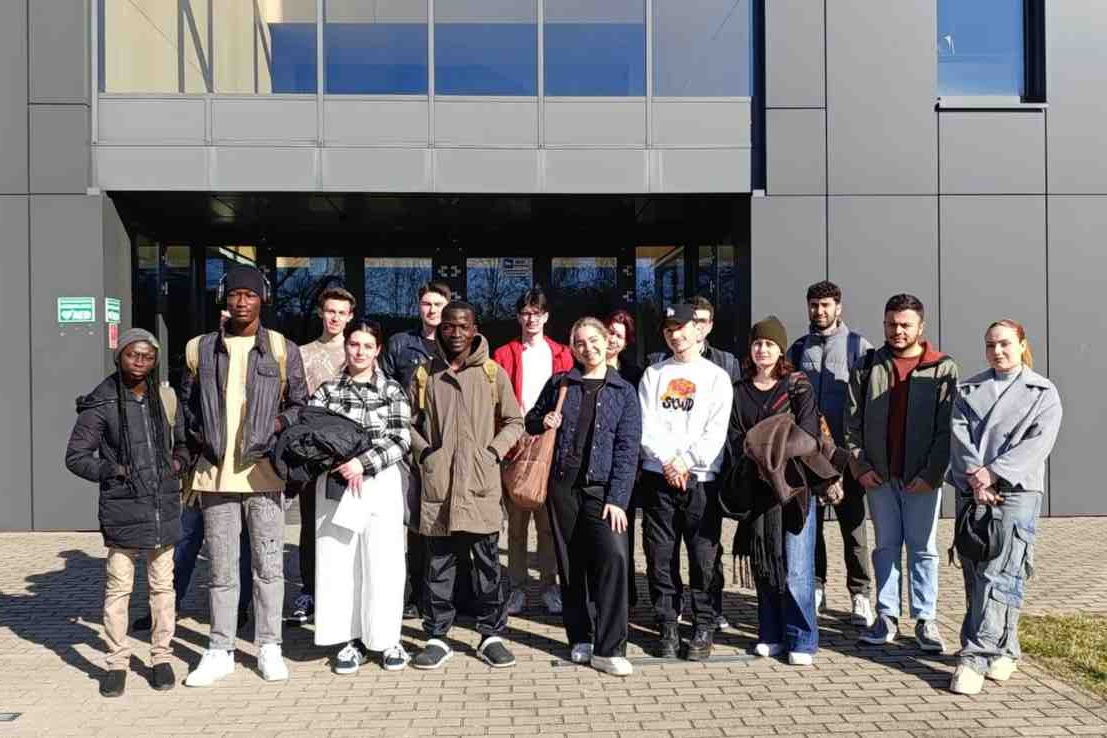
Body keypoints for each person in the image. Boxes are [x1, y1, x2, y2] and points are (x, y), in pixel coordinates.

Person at [181, 264, 308, 686]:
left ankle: (269, 646)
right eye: (235, 293)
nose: (241, 301)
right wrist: (197, 440)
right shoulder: (199, 348)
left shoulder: (281, 348)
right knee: (221, 569)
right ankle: (220, 649)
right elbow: (187, 408)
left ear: (262, 299)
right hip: (214, 475)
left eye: (250, 294)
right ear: (224, 298)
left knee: (269, 566)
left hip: (264, 473)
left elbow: (300, 406)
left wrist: (276, 425)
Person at [65, 329, 190, 697]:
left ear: (155, 361)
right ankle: (117, 662)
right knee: (119, 589)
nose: (140, 362)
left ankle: (161, 657)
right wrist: (113, 470)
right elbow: (76, 456)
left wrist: (177, 464)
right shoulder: (101, 401)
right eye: (133, 354)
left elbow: (184, 443)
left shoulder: (164, 397)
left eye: (147, 356)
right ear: (119, 356)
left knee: (162, 587)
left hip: (162, 506)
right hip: (122, 507)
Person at [947, 320, 1062, 695]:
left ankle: (976, 656)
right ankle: (1005, 648)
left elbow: (1037, 444)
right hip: (972, 489)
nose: (997, 351)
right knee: (975, 569)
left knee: (1003, 571)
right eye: (990, 345)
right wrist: (977, 478)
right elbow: (959, 436)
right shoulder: (969, 389)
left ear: (1022, 344)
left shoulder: (1043, 392)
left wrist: (994, 474)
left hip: (1016, 491)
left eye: (1005, 344)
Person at [409, 302, 525, 669]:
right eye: (449, 326)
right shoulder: (425, 374)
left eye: (463, 326)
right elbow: (407, 423)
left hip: (479, 484)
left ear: (475, 328)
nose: (456, 333)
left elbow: (515, 421)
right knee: (438, 566)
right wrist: (427, 454)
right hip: (440, 485)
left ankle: (491, 634)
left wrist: (492, 453)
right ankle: (437, 635)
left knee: (487, 565)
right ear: (440, 329)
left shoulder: (492, 373)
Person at [525, 318, 642, 676]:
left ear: (607, 341)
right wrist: (545, 420)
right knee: (572, 564)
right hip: (563, 488)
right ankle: (580, 637)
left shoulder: (624, 391)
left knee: (614, 559)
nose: (587, 348)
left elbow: (628, 450)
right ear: (572, 348)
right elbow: (530, 420)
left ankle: (609, 648)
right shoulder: (561, 383)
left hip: (603, 491)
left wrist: (618, 499)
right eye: (579, 342)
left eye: (594, 340)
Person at [845, 294, 958, 652]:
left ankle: (926, 620)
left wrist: (932, 474)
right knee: (886, 547)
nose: (898, 330)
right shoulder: (867, 365)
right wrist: (861, 467)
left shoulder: (942, 367)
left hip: (922, 479)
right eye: (891, 324)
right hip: (879, 477)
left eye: (905, 324)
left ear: (921, 327)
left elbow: (947, 429)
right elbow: (851, 424)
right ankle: (887, 616)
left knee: (923, 549)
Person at [132, 311, 255, 635]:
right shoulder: (201, 357)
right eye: (224, 316)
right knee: (185, 537)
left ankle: (239, 607)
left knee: (240, 542)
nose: (229, 321)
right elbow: (187, 408)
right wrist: (190, 453)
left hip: (243, 468)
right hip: (202, 467)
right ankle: (165, 608)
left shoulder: (254, 359)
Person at [310, 321, 412, 674]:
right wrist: (340, 462)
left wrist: (362, 463)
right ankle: (349, 640)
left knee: (383, 563)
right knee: (339, 563)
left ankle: (386, 639)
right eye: (354, 344)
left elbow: (401, 439)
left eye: (368, 346)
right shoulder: (327, 391)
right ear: (346, 346)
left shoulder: (392, 390)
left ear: (378, 349)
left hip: (379, 483)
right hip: (337, 484)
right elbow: (310, 434)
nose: (360, 352)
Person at [639, 304, 733, 660]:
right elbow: (646, 425)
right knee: (660, 556)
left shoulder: (716, 377)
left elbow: (716, 430)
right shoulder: (653, 374)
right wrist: (668, 460)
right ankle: (667, 625)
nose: (675, 335)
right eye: (668, 329)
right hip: (659, 477)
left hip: (701, 480)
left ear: (698, 329)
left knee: (703, 558)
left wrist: (686, 461)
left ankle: (703, 625)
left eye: (681, 327)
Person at [730, 317, 822, 665]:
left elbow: (808, 436)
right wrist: (757, 458)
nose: (762, 350)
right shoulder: (739, 390)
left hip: (793, 488)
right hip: (757, 488)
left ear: (781, 349)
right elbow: (734, 437)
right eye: (757, 344)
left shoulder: (797, 385)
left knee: (797, 568)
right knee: (765, 562)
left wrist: (768, 455)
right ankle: (769, 633)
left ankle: (802, 639)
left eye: (769, 344)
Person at [787, 280, 875, 626]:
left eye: (826, 305)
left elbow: (870, 402)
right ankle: (816, 587)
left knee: (853, 528)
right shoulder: (798, 349)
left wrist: (858, 455)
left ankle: (860, 595)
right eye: (814, 305)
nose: (819, 311)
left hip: (847, 457)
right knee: (812, 529)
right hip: (809, 457)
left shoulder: (858, 347)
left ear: (839, 307)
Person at [493, 287, 574, 615]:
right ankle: (516, 588)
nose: (531, 319)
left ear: (546, 316)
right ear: (518, 317)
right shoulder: (503, 354)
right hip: (515, 444)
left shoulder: (562, 354)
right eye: (526, 313)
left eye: (537, 313)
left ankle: (549, 586)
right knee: (516, 526)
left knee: (547, 526)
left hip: (549, 446)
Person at [380, 280, 451, 619]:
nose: (432, 310)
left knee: (444, 519)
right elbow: (384, 388)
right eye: (427, 303)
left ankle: (445, 595)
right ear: (419, 306)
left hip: (446, 442)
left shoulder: (457, 343)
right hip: (408, 444)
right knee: (412, 520)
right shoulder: (400, 344)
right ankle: (411, 595)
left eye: (438, 304)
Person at [288, 286, 356, 625]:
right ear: (321, 312)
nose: (335, 318)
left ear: (350, 316)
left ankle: (345, 591)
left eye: (342, 312)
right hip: (312, 452)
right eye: (331, 311)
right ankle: (310, 589)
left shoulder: (357, 351)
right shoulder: (302, 354)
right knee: (310, 524)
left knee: (346, 522)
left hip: (347, 453)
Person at [605, 309, 644, 608]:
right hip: (592, 467)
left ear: (626, 341)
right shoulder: (580, 368)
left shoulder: (635, 374)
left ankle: (625, 592)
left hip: (623, 466)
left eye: (619, 335)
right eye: (609, 332)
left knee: (622, 532)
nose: (612, 339)